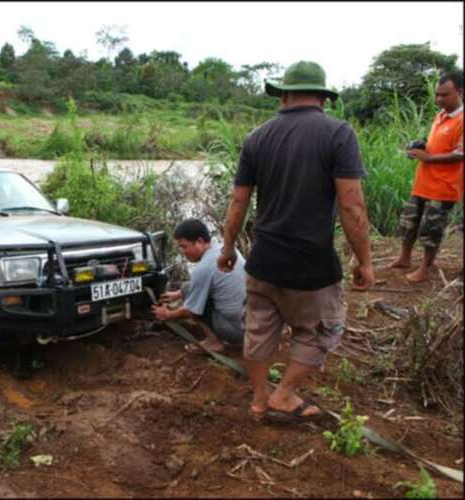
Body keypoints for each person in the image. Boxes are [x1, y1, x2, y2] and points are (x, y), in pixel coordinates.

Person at [217, 61, 373, 422]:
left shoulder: (257, 137)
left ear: (284, 95)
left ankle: (259, 399)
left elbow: (238, 201)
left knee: (257, 328)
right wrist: (364, 261)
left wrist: (227, 250)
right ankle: (283, 395)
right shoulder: (338, 134)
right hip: (311, 264)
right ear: (323, 98)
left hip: (263, 260)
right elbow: (351, 205)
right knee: (318, 330)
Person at [390, 71, 464, 283]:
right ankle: (404, 258)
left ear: (460, 92)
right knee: (408, 222)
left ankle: (425, 268)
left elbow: (460, 154)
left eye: (445, 95)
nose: (439, 99)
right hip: (424, 182)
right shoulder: (441, 116)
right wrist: (419, 147)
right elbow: (436, 144)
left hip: (444, 186)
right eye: (437, 95)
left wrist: (428, 158)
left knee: (431, 229)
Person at [152, 218, 246, 353]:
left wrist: (168, 314)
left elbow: (191, 311)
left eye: (184, 246)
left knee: (191, 297)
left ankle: (213, 342)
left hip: (235, 331)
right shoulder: (226, 249)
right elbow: (210, 281)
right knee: (186, 289)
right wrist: (178, 294)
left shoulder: (203, 268)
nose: (182, 252)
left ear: (200, 242)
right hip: (252, 325)